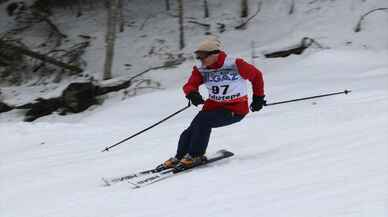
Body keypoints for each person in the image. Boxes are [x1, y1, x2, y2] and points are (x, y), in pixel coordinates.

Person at [158, 36, 266, 171]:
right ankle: (180, 156)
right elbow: (190, 84)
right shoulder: (201, 69)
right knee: (191, 130)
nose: (201, 60)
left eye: (203, 56)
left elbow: (256, 76)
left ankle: (195, 155)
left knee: (203, 122)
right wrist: (192, 93)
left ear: (215, 54)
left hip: (235, 109)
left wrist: (258, 98)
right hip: (213, 107)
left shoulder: (235, 64)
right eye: (198, 57)